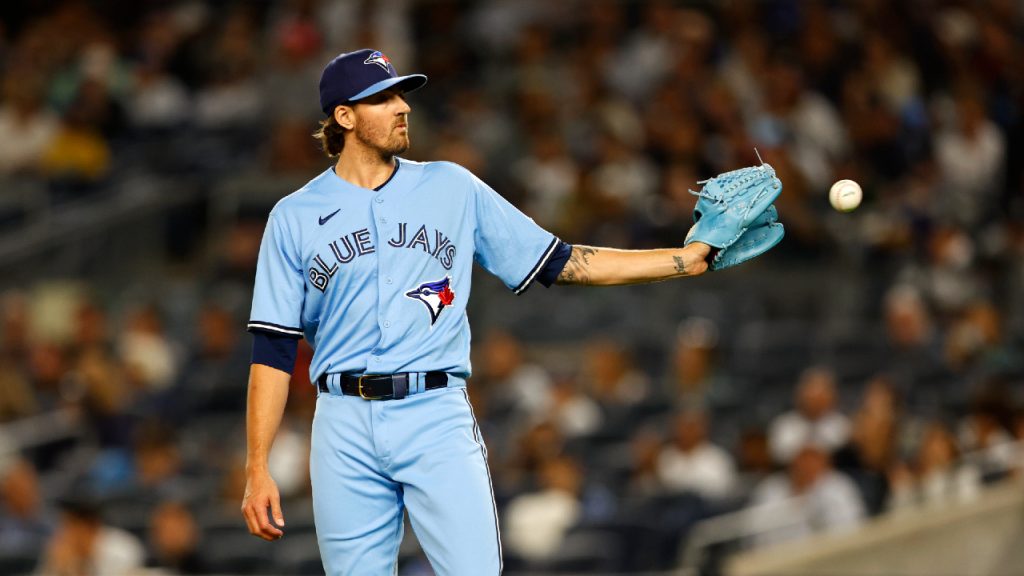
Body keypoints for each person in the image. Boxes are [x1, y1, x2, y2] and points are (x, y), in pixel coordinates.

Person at [240, 48, 751, 576]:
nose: (403, 108)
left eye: (401, 95)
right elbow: (272, 349)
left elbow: (561, 261)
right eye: (383, 97)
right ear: (344, 116)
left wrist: (683, 261)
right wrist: (258, 466)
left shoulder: (451, 187)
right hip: (341, 422)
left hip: (434, 411)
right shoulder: (293, 217)